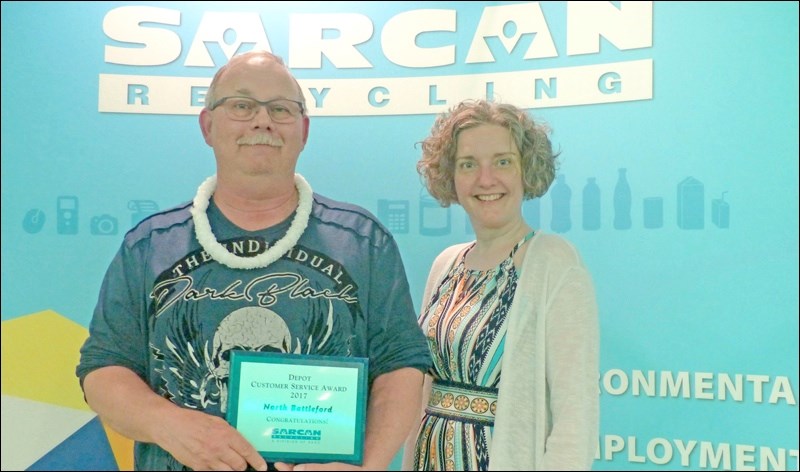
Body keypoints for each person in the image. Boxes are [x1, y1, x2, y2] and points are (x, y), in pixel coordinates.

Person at [76, 50, 432, 471]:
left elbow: (402, 365)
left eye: (281, 109)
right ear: (208, 125)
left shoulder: (362, 242)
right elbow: (103, 369)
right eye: (242, 106)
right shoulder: (150, 246)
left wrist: (367, 465)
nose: (262, 121)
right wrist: (170, 424)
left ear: (303, 130)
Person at [402, 99, 599, 471]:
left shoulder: (555, 263)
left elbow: (577, 415)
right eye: (468, 164)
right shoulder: (446, 264)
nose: (486, 179)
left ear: (528, 170)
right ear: (450, 176)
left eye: (503, 161)